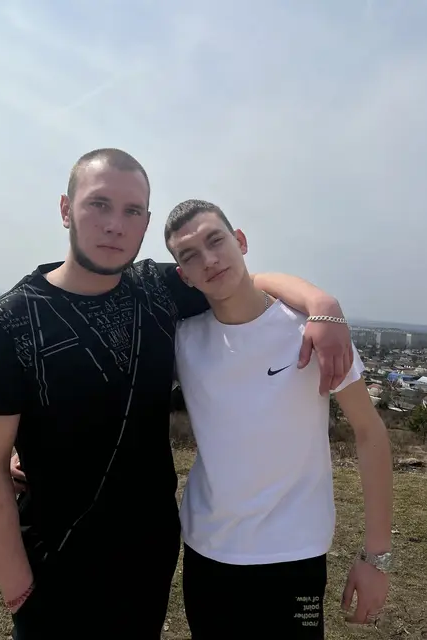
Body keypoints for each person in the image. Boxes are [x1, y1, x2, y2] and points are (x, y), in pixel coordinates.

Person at [0, 148, 352, 640]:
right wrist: (18, 594)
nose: (115, 225)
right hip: (55, 566)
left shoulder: (157, 290)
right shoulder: (10, 323)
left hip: (148, 561)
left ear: (147, 222)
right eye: (99, 204)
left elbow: (241, 279)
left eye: (132, 211)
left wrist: (322, 304)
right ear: (66, 209)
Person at [164, 199, 393, 639]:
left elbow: (370, 432)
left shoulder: (313, 330)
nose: (208, 260)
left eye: (216, 240)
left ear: (241, 241)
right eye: (190, 255)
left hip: (295, 559)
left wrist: (376, 557)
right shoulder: (183, 341)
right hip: (206, 555)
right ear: (184, 275)